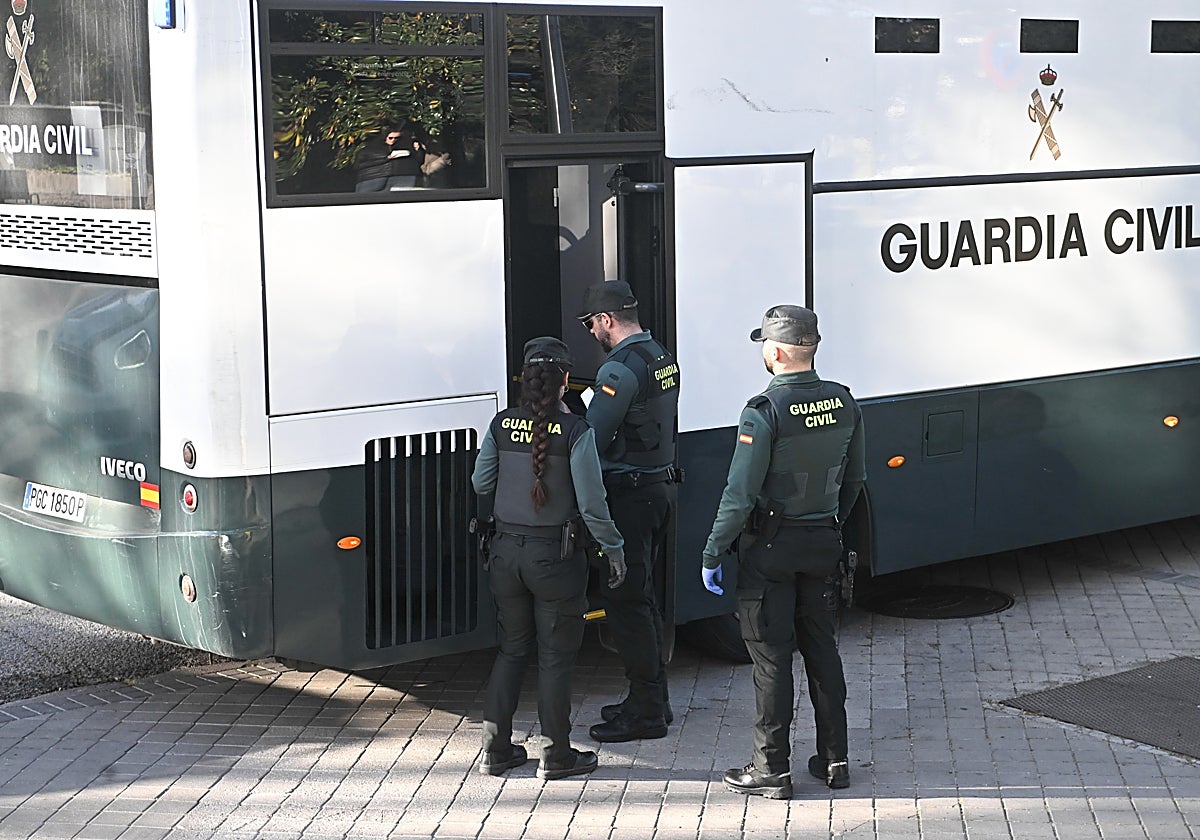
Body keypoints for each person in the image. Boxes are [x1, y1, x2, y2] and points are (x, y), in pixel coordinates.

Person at [700, 305, 866, 800]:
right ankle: (835, 759)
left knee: (772, 659)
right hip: (822, 542)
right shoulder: (844, 402)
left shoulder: (764, 411)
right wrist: (829, 521)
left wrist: (713, 552)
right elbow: (855, 479)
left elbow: (739, 494)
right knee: (822, 648)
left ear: (773, 352)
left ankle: (771, 767)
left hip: (770, 548)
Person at [471, 336, 628, 781]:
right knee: (556, 658)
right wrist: (613, 549)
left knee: (512, 650)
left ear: (524, 377)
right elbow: (593, 502)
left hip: (504, 554)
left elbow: (482, 483)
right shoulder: (577, 431)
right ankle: (556, 754)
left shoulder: (501, 425)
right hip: (555, 559)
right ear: (565, 379)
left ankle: (496, 750)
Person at [576, 280, 680, 743]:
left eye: (590, 324)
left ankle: (646, 713)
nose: (591, 332)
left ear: (607, 320)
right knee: (644, 599)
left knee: (626, 605)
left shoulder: (618, 371)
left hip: (629, 498)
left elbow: (591, 440)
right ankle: (654, 699)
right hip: (657, 488)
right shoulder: (660, 355)